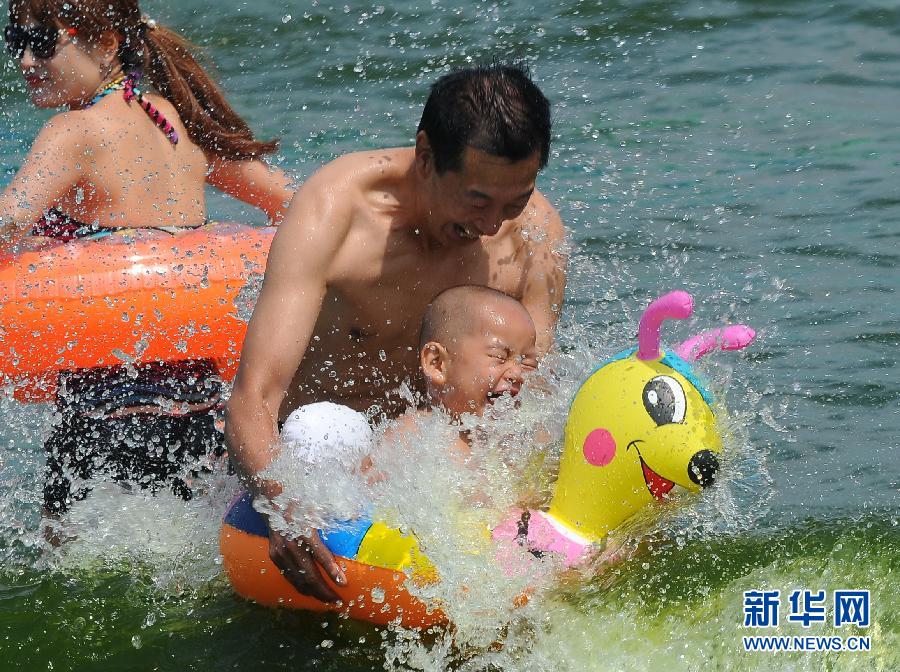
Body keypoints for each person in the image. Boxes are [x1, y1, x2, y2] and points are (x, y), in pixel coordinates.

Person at [225, 64, 567, 603]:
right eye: (477, 200)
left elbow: (530, 402)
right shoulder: (337, 211)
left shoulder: (534, 236)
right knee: (321, 430)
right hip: (319, 464)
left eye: (516, 200)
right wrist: (281, 502)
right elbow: (255, 395)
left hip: (432, 474)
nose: (493, 225)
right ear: (426, 155)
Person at [0, 0, 293, 516]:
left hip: (104, 410)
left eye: (42, 43)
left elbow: (7, 222)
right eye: (14, 43)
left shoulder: (73, 132)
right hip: (203, 403)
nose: (25, 61)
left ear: (108, 43)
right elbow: (293, 205)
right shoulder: (173, 123)